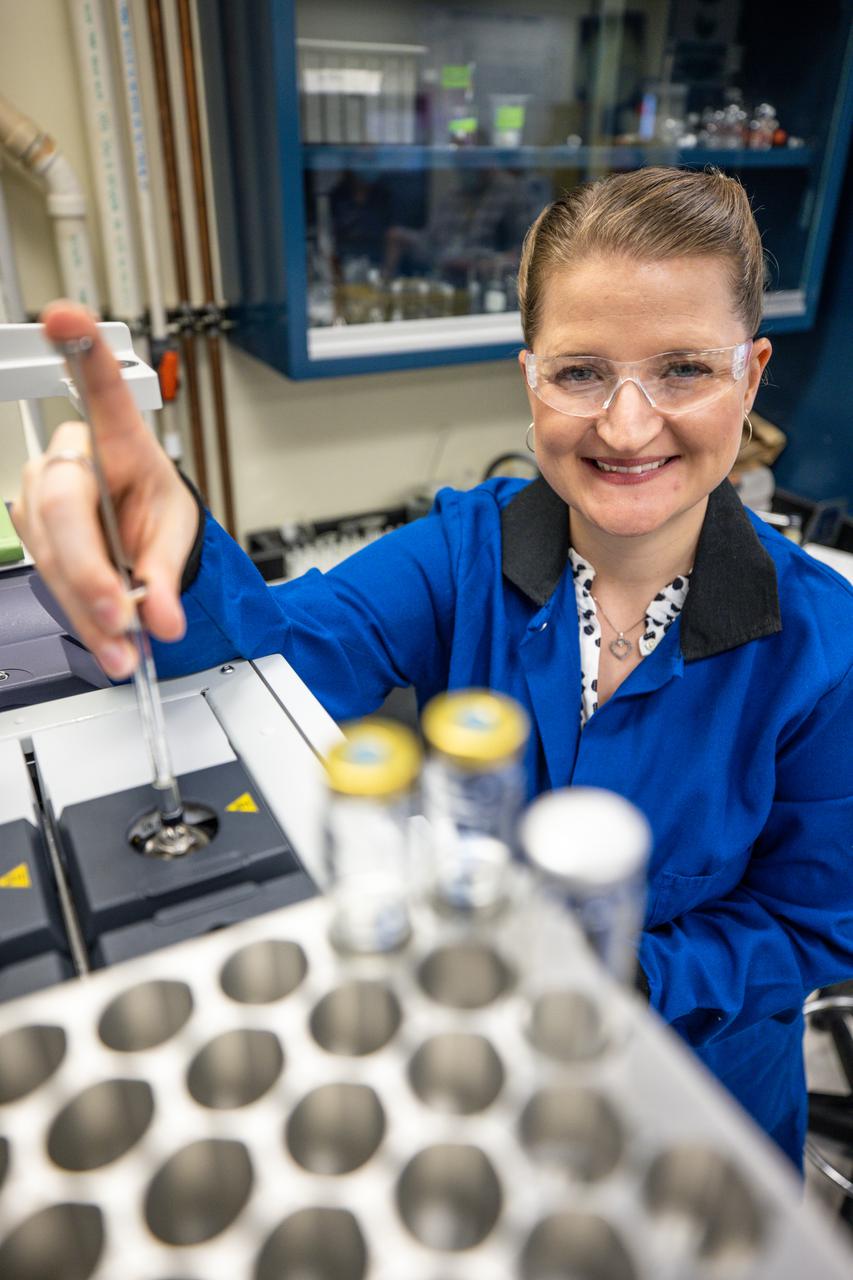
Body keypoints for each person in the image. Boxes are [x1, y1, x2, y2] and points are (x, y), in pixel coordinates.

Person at [13, 167, 853, 1171]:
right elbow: (261, 662)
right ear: (528, 375)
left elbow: (812, 922)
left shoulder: (823, 646)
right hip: (482, 1089)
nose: (628, 426)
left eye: (682, 369)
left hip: (701, 1115)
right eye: (581, 371)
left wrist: (625, 972)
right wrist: (174, 552)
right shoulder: (459, 556)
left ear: (750, 376)